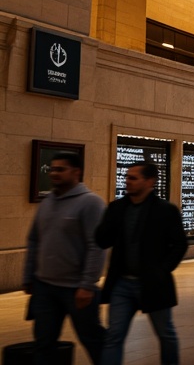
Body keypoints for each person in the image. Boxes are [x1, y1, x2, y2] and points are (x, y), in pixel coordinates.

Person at [97, 162, 187, 365]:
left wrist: (163, 270)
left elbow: (180, 244)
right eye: (127, 177)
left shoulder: (165, 210)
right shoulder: (117, 208)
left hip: (153, 282)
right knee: (114, 336)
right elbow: (102, 241)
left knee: (166, 334)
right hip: (121, 283)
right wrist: (106, 222)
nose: (127, 181)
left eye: (133, 178)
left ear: (150, 181)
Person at [23, 151, 106, 365]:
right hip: (44, 287)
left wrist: (87, 285)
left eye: (61, 169)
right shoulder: (48, 201)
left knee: (93, 340)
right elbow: (34, 240)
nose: (54, 173)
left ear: (76, 172)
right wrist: (29, 276)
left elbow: (96, 246)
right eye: (52, 169)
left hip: (77, 289)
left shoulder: (91, 203)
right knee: (43, 343)